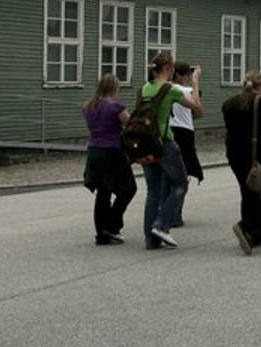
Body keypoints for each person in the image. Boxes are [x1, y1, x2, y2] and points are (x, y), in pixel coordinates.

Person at [223, 71, 261, 255]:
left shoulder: (229, 103)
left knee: (247, 190)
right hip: (258, 154)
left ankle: (255, 234)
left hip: (234, 154)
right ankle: (246, 226)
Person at [139, 54, 195, 250]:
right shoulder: (170, 89)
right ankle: (162, 225)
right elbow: (196, 108)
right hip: (164, 143)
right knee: (180, 184)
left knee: (152, 191)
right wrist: (195, 83)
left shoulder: (144, 88)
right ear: (168, 67)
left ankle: (150, 239)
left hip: (145, 143)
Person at [82, 73, 136, 245]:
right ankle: (112, 225)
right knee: (128, 188)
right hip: (112, 151)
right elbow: (130, 123)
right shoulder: (115, 107)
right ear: (114, 87)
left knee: (103, 192)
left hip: (94, 151)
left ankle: (101, 233)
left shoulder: (88, 106)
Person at [168, 61, 204, 228]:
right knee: (183, 176)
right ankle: (176, 213)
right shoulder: (186, 90)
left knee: (168, 175)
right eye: (189, 75)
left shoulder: (166, 88)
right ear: (182, 76)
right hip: (184, 134)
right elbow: (198, 110)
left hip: (168, 132)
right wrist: (196, 83)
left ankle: (166, 210)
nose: (190, 77)